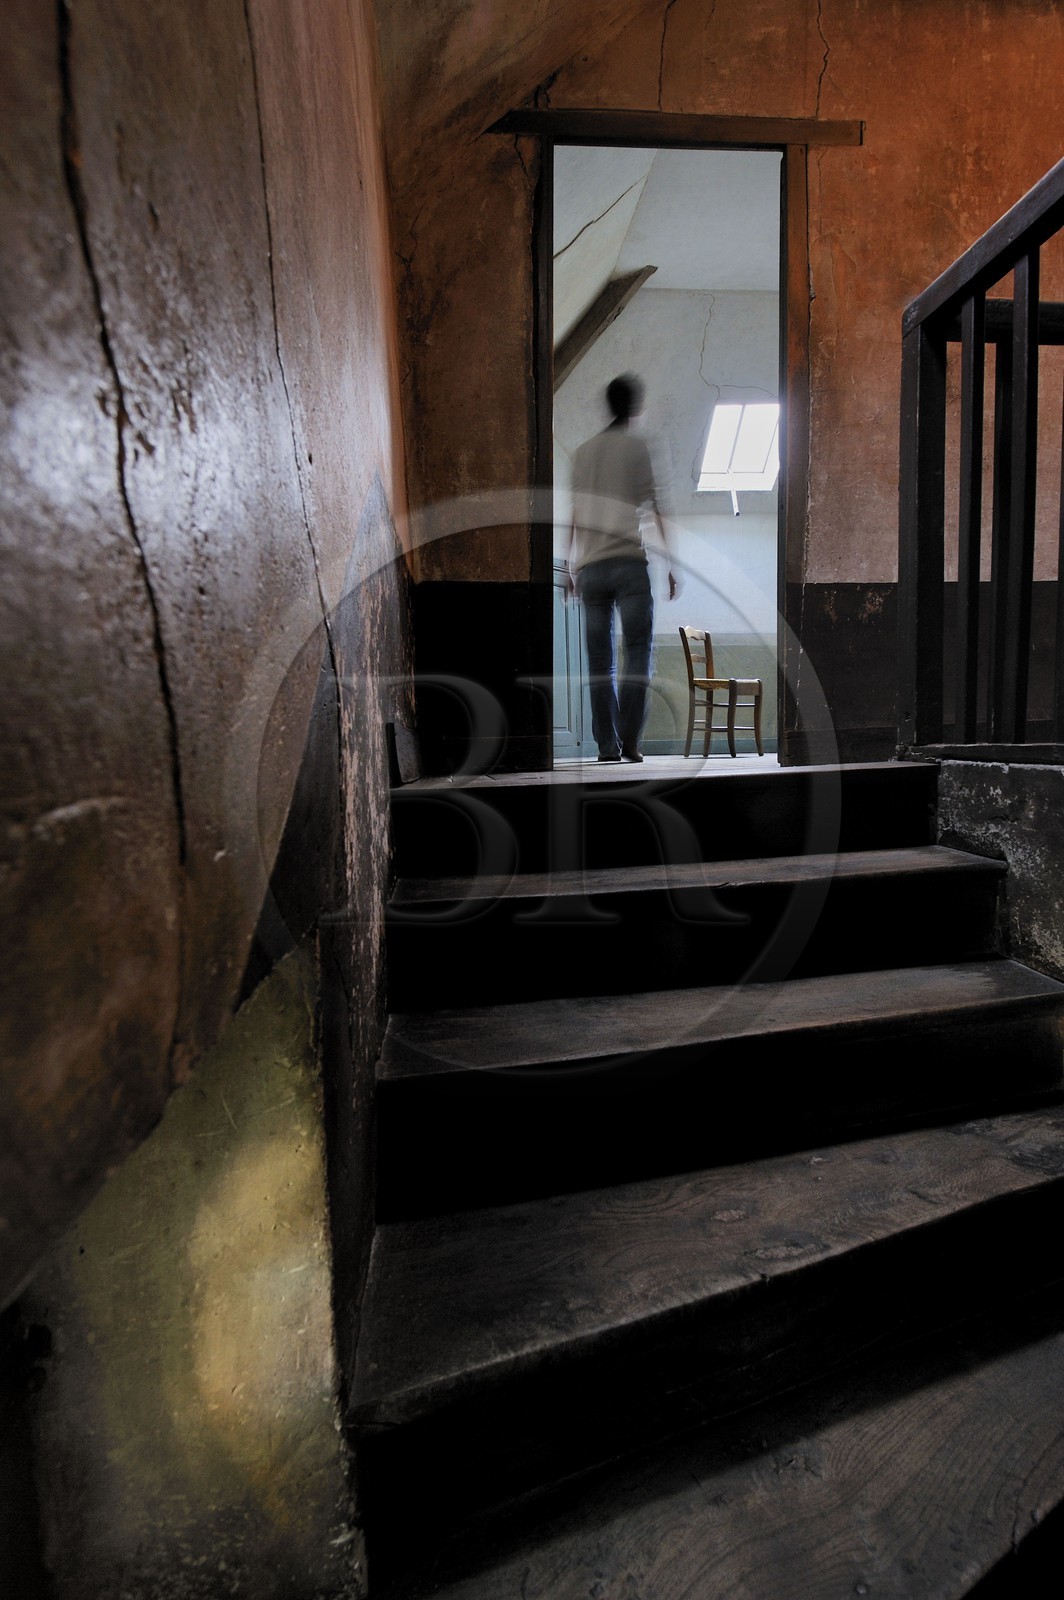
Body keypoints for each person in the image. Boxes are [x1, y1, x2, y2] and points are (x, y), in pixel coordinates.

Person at [565, 374, 680, 763]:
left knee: (600, 663)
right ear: (634, 406)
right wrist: (671, 565)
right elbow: (659, 507)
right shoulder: (641, 447)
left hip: (592, 569)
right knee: (638, 652)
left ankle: (606, 747)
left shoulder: (583, 452)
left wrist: (568, 565)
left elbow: (576, 513)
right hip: (630, 564)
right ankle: (631, 742)